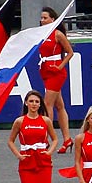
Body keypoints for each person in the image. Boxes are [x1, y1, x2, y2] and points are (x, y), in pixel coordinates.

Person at [35, 9, 73, 151]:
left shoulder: (57, 34)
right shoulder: (41, 34)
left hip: (56, 72)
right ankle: (67, 139)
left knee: (47, 104)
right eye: (41, 17)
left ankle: (46, 138)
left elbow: (70, 52)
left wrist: (60, 66)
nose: (42, 20)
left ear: (53, 19)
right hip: (45, 70)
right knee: (59, 105)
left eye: (45, 18)